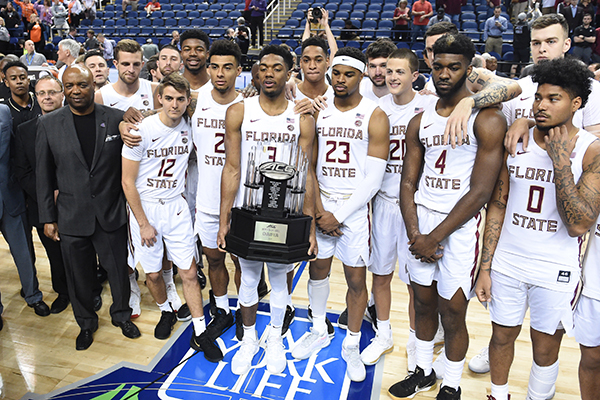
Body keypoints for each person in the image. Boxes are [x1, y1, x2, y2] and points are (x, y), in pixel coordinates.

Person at [389, 33, 507, 400]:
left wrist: (434, 236)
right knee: (422, 303)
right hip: (421, 224)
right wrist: (415, 233)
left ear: (469, 69)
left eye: (453, 66)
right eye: (438, 66)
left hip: (458, 227)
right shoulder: (418, 121)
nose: (444, 73)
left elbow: (480, 193)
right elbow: (407, 182)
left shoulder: (487, 119)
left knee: (452, 310)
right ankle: (422, 371)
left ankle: (452, 384)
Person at [475, 57, 600, 400]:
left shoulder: (591, 151)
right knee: (500, 337)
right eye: (538, 98)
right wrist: (486, 266)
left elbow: (578, 224)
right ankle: (498, 396)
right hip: (508, 262)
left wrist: (561, 162)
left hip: (555, 268)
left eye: (553, 99)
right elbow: (498, 204)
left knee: (545, 350)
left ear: (576, 103)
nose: (541, 105)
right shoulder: (517, 139)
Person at [291, 45, 388, 384]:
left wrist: (339, 215)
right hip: (322, 205)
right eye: (338, 74)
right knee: (317, 271)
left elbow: (374, 177)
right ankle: (319, 328)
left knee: (356, 281)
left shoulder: (375, 114)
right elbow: (309, 164)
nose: (341, 80)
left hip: (355, 210)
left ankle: (351, 342)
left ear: (361, 77)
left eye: (349, 74)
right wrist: (318, 211)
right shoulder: (319, 111)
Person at [217, 44, 316, 376]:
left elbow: (307, 174)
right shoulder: (239, 111)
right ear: (256, 72)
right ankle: (248, 339)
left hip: (283, 213)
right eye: (263, 67)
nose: (268, 73)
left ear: (289, 74)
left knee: (279, 279)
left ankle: (274, 338)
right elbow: (231, 168)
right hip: (247, 209)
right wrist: (223, 220)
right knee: (247, 278)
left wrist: (311, 229)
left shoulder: (302, 116)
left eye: (276, 68)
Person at [36, 65, 141, 350]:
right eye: (69, 86)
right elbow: (43, 175)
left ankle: (121, 315)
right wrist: (47, 217)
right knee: (78, 277)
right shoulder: (48, 124)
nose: (75, 91)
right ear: (63, 89)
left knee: (119, 272)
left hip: (110, 213)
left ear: (93, 85)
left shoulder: (116, 118)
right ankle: (85, 323)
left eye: (81, 85)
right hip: (71, 216)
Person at [120, 72, 216, 352]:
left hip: (176, 205)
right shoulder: (140, 130)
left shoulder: (191, 124)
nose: (174, 104)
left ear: (188, 101)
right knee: (152, 274)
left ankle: (200, 331)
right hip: (145, 207)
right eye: (169, 98)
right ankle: (166, 311)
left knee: (188, 270)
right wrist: (143, 223)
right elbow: (127, 182)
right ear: (159, 98)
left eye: (181, 99)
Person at [361, 48, 437, 371]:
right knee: (380, 274)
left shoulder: (430, 106)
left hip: (415, 207)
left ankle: (414, 339)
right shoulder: (376, 108)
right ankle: (384, 332)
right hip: (382, 201)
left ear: (415, 76)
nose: (391, 77)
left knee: (415, 284)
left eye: (399, 72)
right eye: (388, 71)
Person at [95, 39, 160, 319]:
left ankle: (163, 284)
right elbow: (96, 139)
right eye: (125, 63)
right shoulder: (102, 95)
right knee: (122, 239)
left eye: (136, 64)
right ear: (115, 65)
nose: (131, 69)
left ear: (143, 64)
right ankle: (130, 287)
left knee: (153, 234)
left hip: (150, 175)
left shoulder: (155, 90)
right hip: (114, 176)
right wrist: (119, 123)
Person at [14, 75, 70, 315]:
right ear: (36, 97)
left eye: (52, 92)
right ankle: (63, 292)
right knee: (54, 255)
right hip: (42, 205)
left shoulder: (77, 123)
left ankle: (89, 291)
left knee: (83, 251)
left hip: (76, 201)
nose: (47, 97)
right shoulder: (25, 130)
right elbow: (23, 171)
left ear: (62, 94)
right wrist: (48, 196)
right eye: (42, 93)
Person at [0, 100, 49, 318]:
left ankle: (33, 296)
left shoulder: (3, 111)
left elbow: (15, 151)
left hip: (11, 196)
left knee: (24, 253)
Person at [1, 61, 41, 132]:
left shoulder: (41, 104)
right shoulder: (3, 111)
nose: (19, 81)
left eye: (22, 78)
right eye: (13, 78)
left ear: (28, 81)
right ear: (7, 83)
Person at [359, 38, 397, 103]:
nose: (377, 73)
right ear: (367, 67)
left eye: (383, 66)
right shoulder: (357, 91)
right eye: (373, 66)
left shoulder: (406, 95)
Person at [512, 12, 531, 77]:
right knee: (524, 65)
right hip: (524, 47)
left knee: (514, 64)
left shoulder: (515, 25)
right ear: (525, 18)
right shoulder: (526, 26)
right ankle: (521, 78)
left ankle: (512, 77)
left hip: (516, 47)